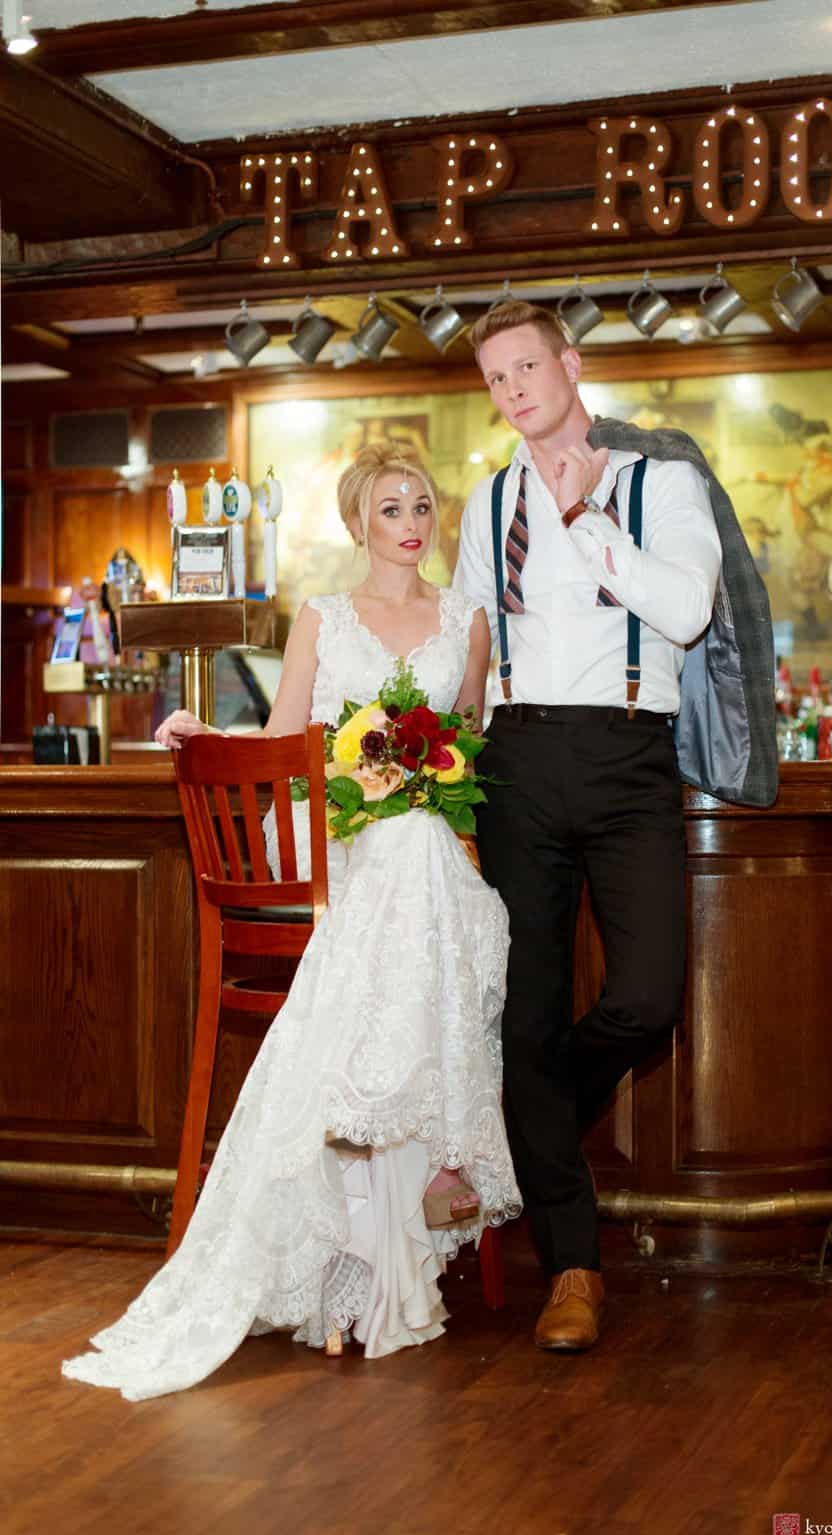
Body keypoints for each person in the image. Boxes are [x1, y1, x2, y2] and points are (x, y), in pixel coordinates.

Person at [62, 443, 521, 1401]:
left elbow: (472, 745)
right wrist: (210, 737)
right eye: (390, 506)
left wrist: (431, 773)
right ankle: (437, 1151)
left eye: (422, 503)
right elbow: (282, 739)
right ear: (359, 524)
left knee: (431, 862)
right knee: (409, 866)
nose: (412, 519)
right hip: (343, 860)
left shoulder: (467, 620)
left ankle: (385, 1120)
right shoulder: (322, 616)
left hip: (429, 851)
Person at [453, 300, 722, 1353]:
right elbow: (472, 637)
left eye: (527, 367)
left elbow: (687, 611)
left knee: (647, 997)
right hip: (512, 760)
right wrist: (424, 747)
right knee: (522, 1012)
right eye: (495, 378)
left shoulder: (662, 483)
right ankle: (572, 1269)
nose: (513, 389)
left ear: (570, 366)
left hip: (625, 755)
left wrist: (585, 524)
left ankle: (533, 1113)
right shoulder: (487, 502)